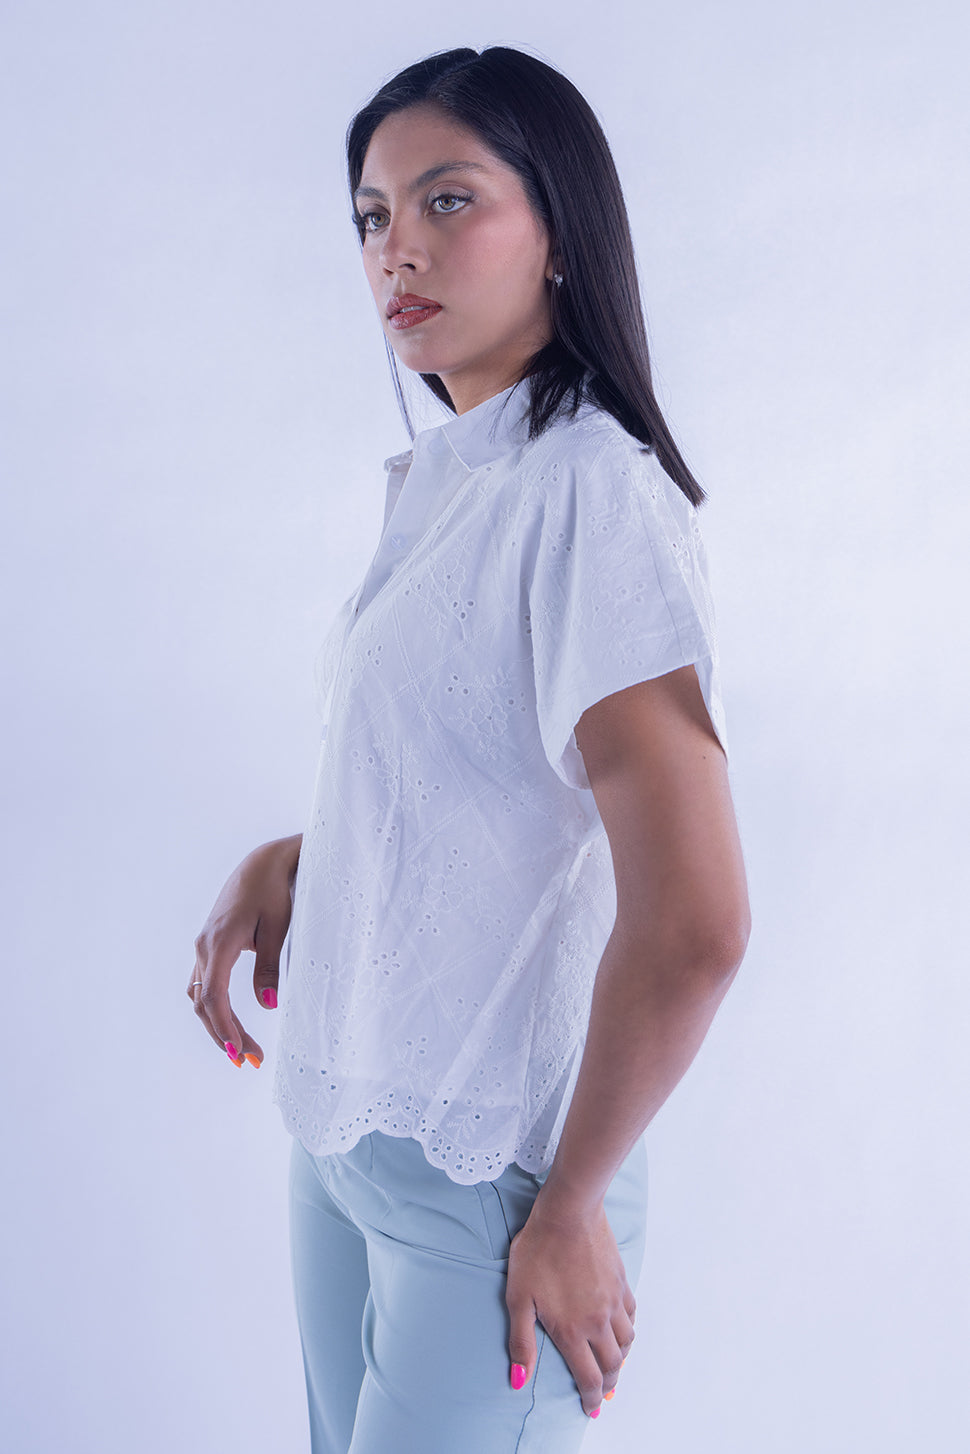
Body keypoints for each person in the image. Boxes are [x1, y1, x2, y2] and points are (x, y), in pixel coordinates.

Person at [189, 45, 750, 1454]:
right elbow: (481, 787)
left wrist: (570, 1203)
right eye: (373, 216)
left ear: (559, 228)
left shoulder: (590, 496)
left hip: (495, 1181)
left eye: (449, 200)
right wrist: (296, 857)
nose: (399, 248)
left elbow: (694, 921)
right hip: (344, 1132)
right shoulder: (459, 476)